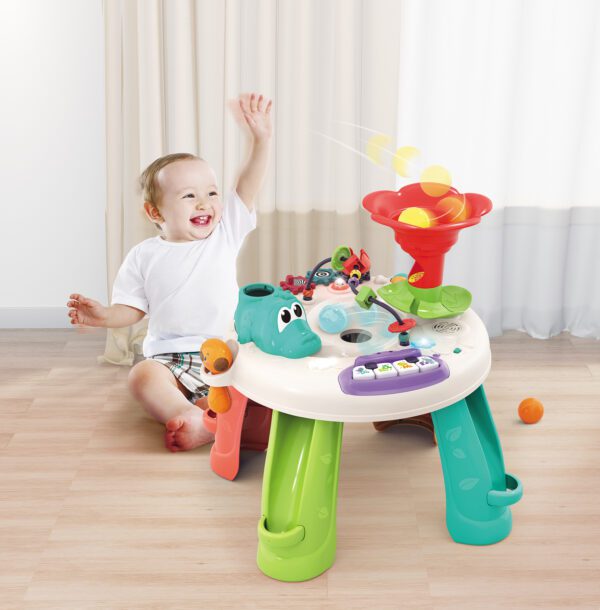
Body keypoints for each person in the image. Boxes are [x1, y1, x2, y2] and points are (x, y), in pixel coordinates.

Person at [67, 93, 272, 451]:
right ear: (155, 212)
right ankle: (189, 414)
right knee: (141, 376)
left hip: (224, 353)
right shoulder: (144, 255)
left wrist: (261, 140)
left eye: (211, 193)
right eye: (189, 196)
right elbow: (132, 309)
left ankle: (213, 418)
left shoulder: (225, 234)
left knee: (254, 387)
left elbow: (246, 186)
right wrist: (103, 316)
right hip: (169, 360)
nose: (205, 203)